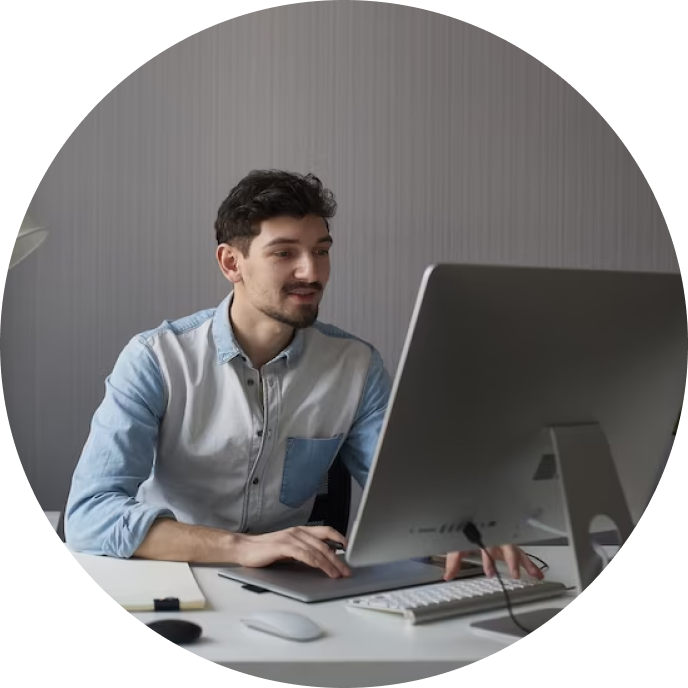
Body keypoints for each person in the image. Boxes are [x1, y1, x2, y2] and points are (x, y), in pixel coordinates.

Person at [64, 169, 543, 583]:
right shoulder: (156, 358)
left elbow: (401, 494)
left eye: (321, 250)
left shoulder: (356, 365)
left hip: (294, 585)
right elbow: (90, 515)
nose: (311, 272)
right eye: (284, 253)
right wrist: (242, 547)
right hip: (178, 576)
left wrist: (465, 521)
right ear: (231, 262)